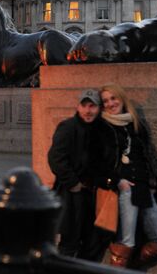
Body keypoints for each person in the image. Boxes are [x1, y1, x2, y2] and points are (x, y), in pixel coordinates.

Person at [93, 84, 157, 268]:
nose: (111, 103)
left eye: (113, 98)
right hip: (124, 190)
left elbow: (146, 156)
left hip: (144, 189)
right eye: (106, 101)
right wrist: (117, 181)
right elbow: (96, 162)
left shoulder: (135, 124)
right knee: (126, 242)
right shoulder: (102, 127)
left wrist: (153, 181)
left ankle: (132, 269)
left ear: (121, 98)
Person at [48, 89, 105, 261]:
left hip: (95, 194)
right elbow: (56, 158)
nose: (88, 110)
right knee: (69, 243)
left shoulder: (103, 130)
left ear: (99, 109)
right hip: (72, 194)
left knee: (93, 242)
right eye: (84, 105)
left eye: (92, 106)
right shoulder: (68, 127)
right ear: (78, 107)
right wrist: (73, 183)